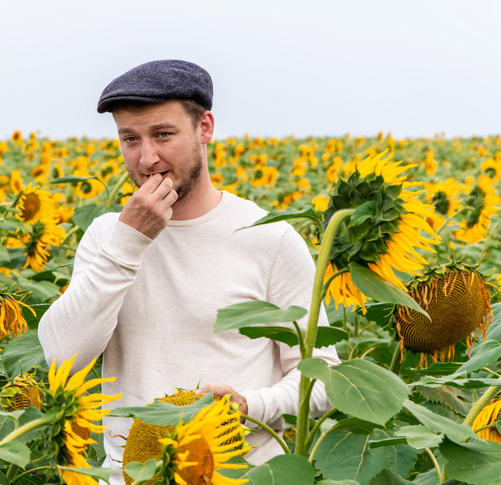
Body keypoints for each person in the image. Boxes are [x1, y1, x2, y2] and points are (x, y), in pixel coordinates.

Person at [38, 59, 341, 481]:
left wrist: (250, 405)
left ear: (204, 129)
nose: (147, 158)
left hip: (239, 473)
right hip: (129, 474)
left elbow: (323, 380)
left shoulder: (268, 239)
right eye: (130, 139)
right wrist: (130, 242)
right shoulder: (108, 236)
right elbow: (61, 358)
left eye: (163, 134)